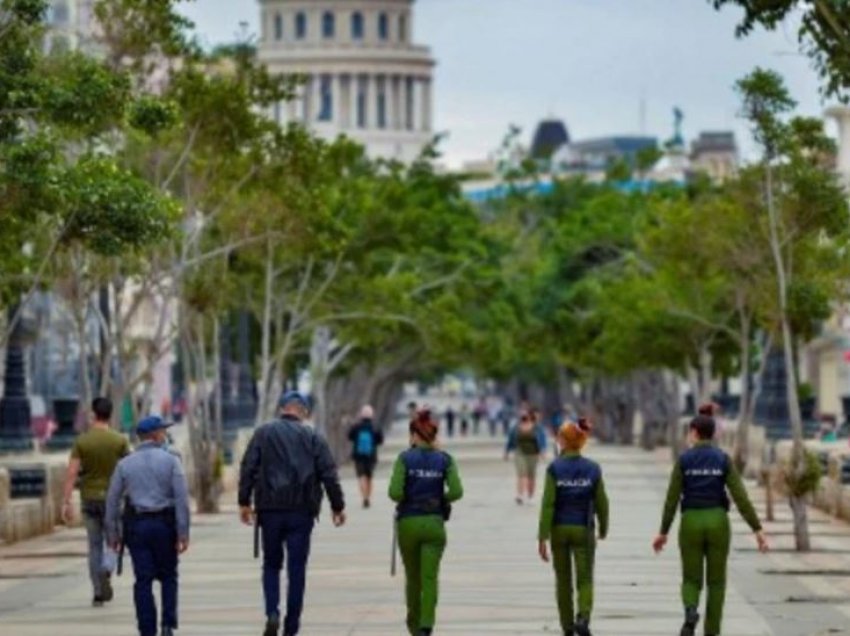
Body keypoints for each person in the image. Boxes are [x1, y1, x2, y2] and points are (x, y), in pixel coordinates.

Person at [653, 404, 769, 636]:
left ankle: (690, 610)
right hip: (718, 520)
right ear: (713, 433)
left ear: (695, 432)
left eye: (689, 431)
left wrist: (663, 532)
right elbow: (740, 496)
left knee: (691, 578)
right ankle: (712, 631)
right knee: (716, 582)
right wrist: (757, 529)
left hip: (691, 521)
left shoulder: (684, 460)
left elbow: (671, 499)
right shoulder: (723, 460)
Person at [239, 391, 347, 636]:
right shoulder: (313, 437)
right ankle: (291, 626)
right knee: (297, 568)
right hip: (302, 511)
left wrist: (244, 501)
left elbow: (248, 467)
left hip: (270, 510)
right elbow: (328, 473)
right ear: (304, 412)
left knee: (271, 565)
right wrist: (337, 506)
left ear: (281, 409)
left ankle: (272, 612)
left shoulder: (263, 434)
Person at [105, 416, 190, 636]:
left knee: (143, 580)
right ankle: (168, 624)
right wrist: (183, 532)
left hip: (137, 527)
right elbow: (181, 499)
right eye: (163, 431)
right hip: (165, 526)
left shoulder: (124, 464)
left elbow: (112, 501)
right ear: (154, 435)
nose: (165, 435)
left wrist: (113, 534)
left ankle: (147, 629)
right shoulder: (172, 460)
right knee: (169, 576)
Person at [389, 408, 464, 636]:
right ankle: (427, 624)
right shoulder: (445, 459)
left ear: (414, 435)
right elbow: (457, 491)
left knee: (413, 578)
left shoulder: (404, 458)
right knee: (430, 577)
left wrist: (410, 495)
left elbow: (395, 493)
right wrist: (439, 498)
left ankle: (413, 625)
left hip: (408, 524)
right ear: (434, 435)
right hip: (434, 524)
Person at [538, 418, 608, 636]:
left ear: (563, 441)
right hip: (583, 529)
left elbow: (548, 504)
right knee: (585, 578)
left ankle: (567, 627)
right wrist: (603, 528)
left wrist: (542, 536)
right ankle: (583, 618)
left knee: (563, 581)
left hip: (559, 529)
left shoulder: (554, 468)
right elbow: (602, 502)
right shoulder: (593, 469)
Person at [61, 397, 130, 606]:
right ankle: (107, 569)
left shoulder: (82, 441)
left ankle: (98, 592)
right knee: (113, 542)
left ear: (93, 414)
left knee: (94, 546)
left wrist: (66, 502)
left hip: (88, 499)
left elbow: (72, 472)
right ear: (110, 414)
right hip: (112, 499)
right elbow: (129, 469)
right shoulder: (119, 440)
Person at [505, 411, 548, 504]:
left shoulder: (537, 428)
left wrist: (543, 451)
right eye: (522, 416)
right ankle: (520, 495)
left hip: (533, 454)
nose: (524, 417)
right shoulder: (516, 428)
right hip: (520, 453)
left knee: (531, 476)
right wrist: (507, 452)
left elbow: (543, 440)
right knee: (522, 474)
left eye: (526, 416)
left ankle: (530, 495)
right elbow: (510, 439)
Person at [348, 404, 385, 509]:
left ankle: (364, 497)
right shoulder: (375, 426)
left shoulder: (356, 426)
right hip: (371, 455)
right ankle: (368, 497)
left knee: (361, 476)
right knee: (369, 477)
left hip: (358, 456)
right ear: (371, 415)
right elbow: (380, 440)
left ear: (361, 415)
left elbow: (350, 437)